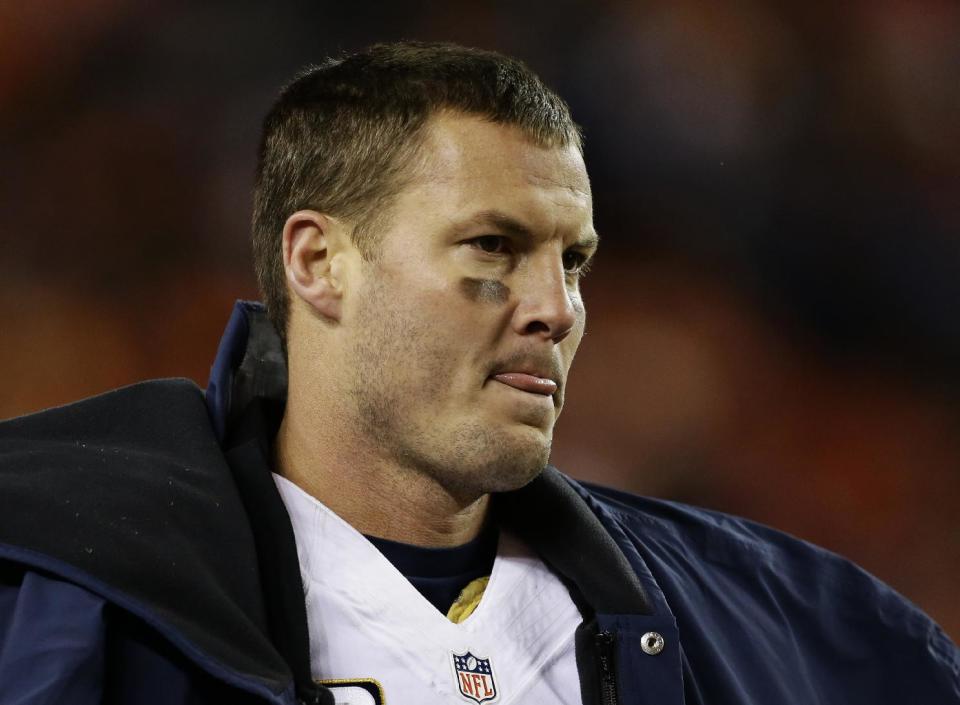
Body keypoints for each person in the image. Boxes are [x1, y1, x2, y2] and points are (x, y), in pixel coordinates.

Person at [0, 41, 957, 705]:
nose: (559, 307)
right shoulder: (67, 595)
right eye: (492, 247)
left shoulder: (790, 626)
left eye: (573, 260)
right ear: (318, 263)